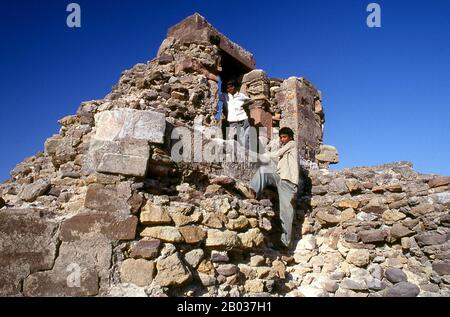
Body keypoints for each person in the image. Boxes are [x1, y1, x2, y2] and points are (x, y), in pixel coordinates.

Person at [248, 127, 299, 249]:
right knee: (264, 170)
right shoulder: (285, 148)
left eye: (284, 137)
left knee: (286, 214)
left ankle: (285, 243)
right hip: (280, 178)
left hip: (289, 183)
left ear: (290, 137)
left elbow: (277, 154)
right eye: (281, 137)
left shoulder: (292, 144)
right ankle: (253, 191)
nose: (282, 139)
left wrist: (265, 154)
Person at [220, 80, 251, 154]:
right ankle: (231, 154)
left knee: (245, 139)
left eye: (231, 87)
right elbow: (215, 98)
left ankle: (246, 156)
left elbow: (250, 100)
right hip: (232, 121)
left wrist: (244, 104)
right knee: (231, 138)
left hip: (243, 119)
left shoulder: (241, 95)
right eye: (228, 88)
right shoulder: (225, 96)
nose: (230, 89)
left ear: (235, 87)